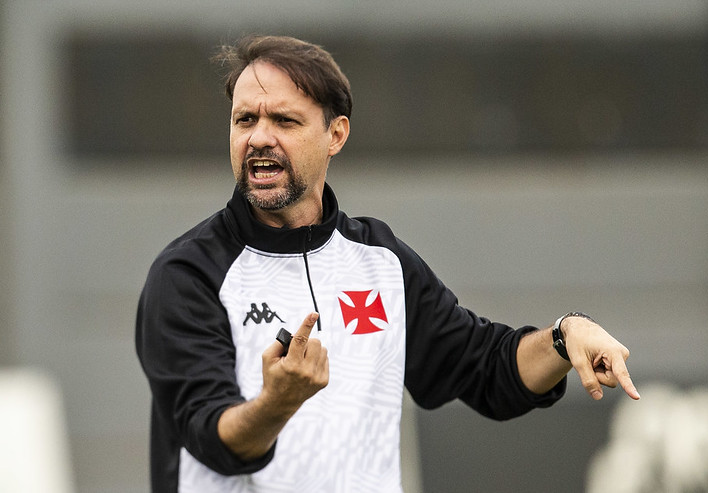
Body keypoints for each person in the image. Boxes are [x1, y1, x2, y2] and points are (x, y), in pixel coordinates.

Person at [135, 34, 640, 493]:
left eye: (284, 121)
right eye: (245, 119)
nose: (259, 137)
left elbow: (486, 369)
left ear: (335, 135)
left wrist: (564, 335)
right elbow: (210, 438)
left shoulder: (380, 260)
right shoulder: (189, 274)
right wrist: (278, 402)